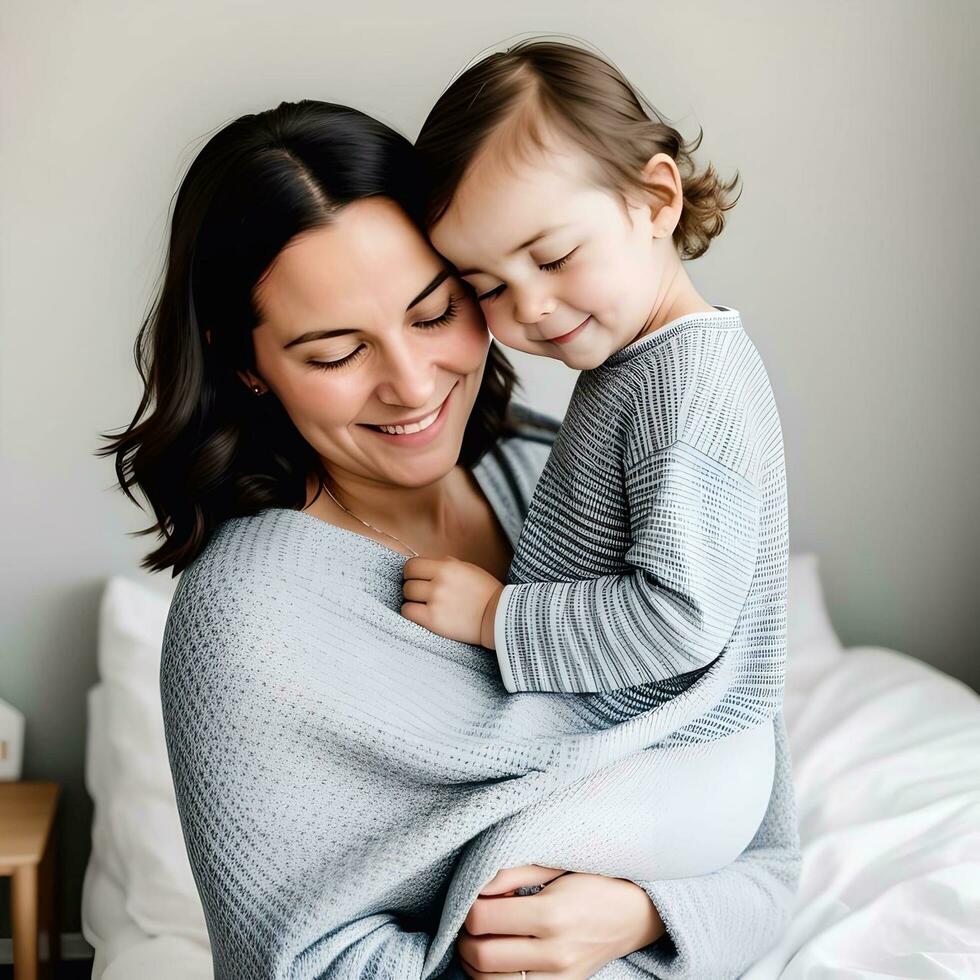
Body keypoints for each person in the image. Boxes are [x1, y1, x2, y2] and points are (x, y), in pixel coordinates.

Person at [100, 98, 801, 979]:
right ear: (247, 365)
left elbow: (768, 861)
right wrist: (506, 953)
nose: (411, 384)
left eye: (436, 313)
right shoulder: (247, 621)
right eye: (334, 353)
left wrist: (642, 914)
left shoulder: (554, 468)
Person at [402, 38, 788, 873]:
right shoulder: (640, 360)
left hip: (690, 759)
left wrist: (496, 618)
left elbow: (679, 618)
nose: (531, 306)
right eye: (490, 287)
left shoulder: (683, 384)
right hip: (665, 748)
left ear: (655, 199)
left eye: (552, 257)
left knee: (480, 872)